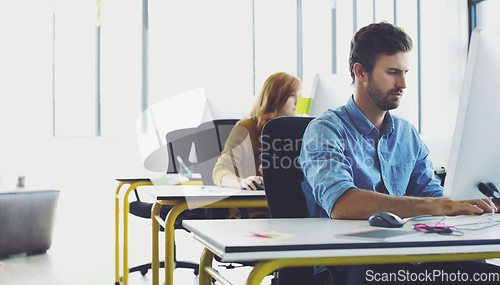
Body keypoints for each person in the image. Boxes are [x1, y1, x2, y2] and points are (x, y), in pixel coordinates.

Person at [299, 22, 500, 284]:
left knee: (480, 271)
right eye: (393, 72)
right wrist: (436, 205)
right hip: (352, 261)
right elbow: (341, 204)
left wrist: (467, 208)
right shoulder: (325, 130)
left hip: (409, 253)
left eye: (405, 72)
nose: (403, 83)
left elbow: (433, 197)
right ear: (360, 71)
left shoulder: (407, 134)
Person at [212, 71, 302, 218]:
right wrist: (240, 182)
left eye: (299, 96)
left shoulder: (300, 130)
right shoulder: (247, 128)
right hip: (258, 213)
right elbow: (220, 170)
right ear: (276, 96)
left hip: (295, 210)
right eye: (292, 95)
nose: (297, 102)